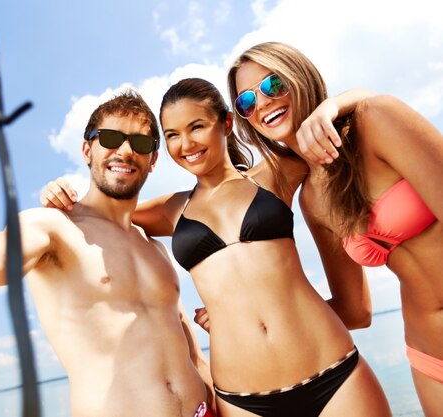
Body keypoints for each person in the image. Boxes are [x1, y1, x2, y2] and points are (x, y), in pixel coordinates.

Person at [41, 77, 391, 416]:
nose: (187, 144)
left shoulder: (277, 173)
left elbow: (361, 113)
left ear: (225, 123)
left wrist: (330, 105)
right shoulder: (170, 210)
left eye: (196, 126)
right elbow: (100, 209)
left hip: (332, 375)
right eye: (173, 135)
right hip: (243, 401)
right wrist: (61, 193)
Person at [0, 83, 216, 417]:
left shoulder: (153, 246)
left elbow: (189, 350)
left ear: (153, 159)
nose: (125, 150)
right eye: (110, 138)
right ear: (87, 149)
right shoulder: (53, 228)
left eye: (139, 143)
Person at [290, 50, 443, 417]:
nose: (261, 101)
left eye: (272, 84)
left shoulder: (373, 121)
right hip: (428, 355)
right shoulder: (311, 200)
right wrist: (251, 317)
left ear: (302, 79)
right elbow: (354, 311)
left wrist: (338, 104)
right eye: (246, 100)